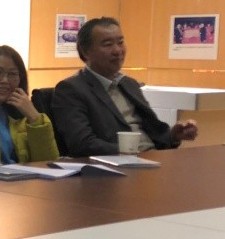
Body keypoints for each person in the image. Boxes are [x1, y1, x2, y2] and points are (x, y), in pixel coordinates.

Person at [51, 17, 198, 156]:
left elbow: (155, 133)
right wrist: (130, 151)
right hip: (116, 166)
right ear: (85, 51)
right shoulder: (71, 90)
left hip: (151, 159)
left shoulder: (129, 83)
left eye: (120, 42)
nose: (117, 50)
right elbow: (82, 144)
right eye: (107, 44)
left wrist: (174, 135)